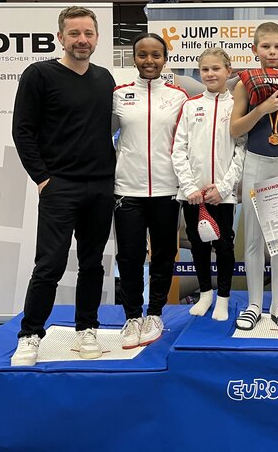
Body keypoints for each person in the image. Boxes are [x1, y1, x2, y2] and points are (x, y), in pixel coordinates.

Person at [10, 6, 115, 366]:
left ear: (97, 38)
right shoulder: (39, 74)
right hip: (60, 186)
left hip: (100, 186)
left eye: (88, 33)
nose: (82, 40)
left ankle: (87, 328)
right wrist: (42, 178)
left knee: (92, 264)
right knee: (49, 264)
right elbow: (23, 131)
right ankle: (30, 334)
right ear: (61, 38)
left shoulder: (105, 79)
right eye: (74, 33)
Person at [230, 22, 278, 331]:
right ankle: (253, 304)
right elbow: (235, 129)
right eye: (265, 47)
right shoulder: (245, 83)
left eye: (277, 46)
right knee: (253, 238)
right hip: (256, 164)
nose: (272, 52)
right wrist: (261, 109)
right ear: (255, 49)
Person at [111, 33, 187, 349]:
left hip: (167, 189)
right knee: (129, 256)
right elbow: (100, 135)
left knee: (164, 255)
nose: (149, 61)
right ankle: (132, 316)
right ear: (134, 58)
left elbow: (187, 141)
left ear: (165, 59)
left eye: (156, 55)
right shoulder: (119, 95)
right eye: (142, 55)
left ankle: (155, 313)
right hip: (127, 188)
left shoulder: (178, 97)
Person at [172, 47, 245, 321]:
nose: (210, 74)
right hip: (193, 194)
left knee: (224, 246)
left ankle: (223, 297)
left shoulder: (237, 106)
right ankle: (205, 294)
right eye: (205, 69)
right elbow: (178, 149)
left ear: (228, 71)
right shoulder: (190, 106)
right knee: (198, 245)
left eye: (216, 68)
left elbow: (241, 150)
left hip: (222, 195)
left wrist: (224, 188)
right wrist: (189, 186)